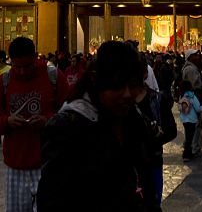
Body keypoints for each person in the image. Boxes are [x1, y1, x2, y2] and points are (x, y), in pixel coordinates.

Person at [37, 41, 150, 212]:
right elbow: (52, 200)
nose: (127, 94)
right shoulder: (69, 127)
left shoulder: (134, 119)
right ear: (98, 82)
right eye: (117, 85)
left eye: (133, 85)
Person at [0, 37, 70, 212]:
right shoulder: (4, 81)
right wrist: (7, 121)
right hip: (15, 166)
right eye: (18, 67)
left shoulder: (53, 77)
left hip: (48, 165)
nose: (23, 72)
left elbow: (70, 117)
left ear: (35, 58)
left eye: (28, 66)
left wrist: (48, 120)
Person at [139, 72, 177, 211]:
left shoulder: (156, 98)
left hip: (153, 159)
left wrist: (153, 141)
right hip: (132, 166)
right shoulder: (122, 102)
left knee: (154, 202)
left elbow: (171, 130)